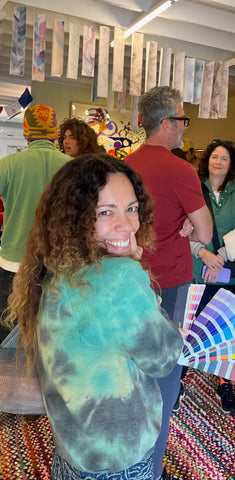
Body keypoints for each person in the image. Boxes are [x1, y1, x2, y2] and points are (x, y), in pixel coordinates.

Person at [3, 154, 184, 480]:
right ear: (75, 218)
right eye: (105, 212)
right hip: (119, 460)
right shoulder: (121, 278)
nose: (128, 225)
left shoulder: (57, 269)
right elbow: (163, 359)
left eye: (131, 208)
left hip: (73, 451)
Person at [124, 86, 212, 480]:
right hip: (171, 285)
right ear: (166, 124)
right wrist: (189, 225)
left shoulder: (124, 166)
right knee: (164, 377)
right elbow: (206, 233)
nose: (183, 128)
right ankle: (152, 469)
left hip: (127, 281)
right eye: (181, 120)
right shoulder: (181, 170)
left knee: (128, 369)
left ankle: (125, 454)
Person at [190, 139, 235, 415]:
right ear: (207, 161)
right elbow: (184, 231)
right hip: (197, 270)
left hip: (230, 274)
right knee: (193, 327)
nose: (218, 161)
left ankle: (224, 383)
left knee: (227, 331)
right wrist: (204, 255)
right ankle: (182, 378)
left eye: (224, 158)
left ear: (232, 164)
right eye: (214, 156)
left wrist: (217, 257)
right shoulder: (192, 189)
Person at [0, 104, 70, 343]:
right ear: (55, 132)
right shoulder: (71, 167)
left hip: (13, 262)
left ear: (26, 131)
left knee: (8, 329)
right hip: (58, 263)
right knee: (51, 333)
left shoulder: (8, 165)